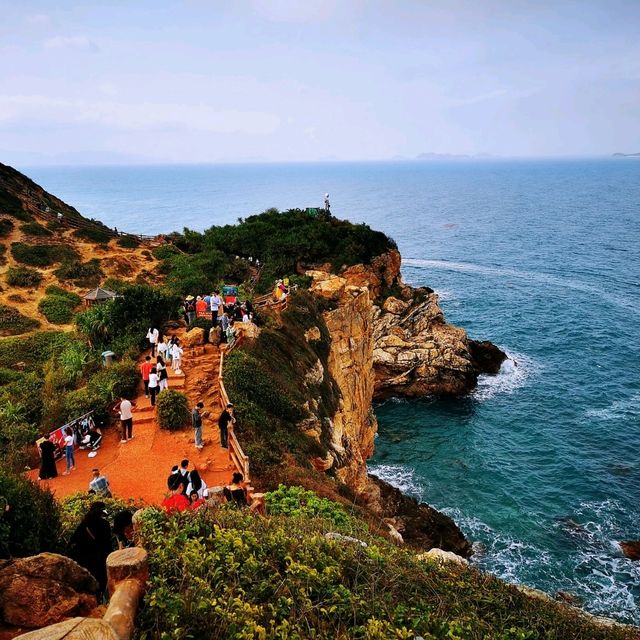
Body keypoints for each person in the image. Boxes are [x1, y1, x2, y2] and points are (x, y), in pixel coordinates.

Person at [69, 501, 113, 592]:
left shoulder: (84, 524)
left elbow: (72, 541)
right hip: (100, 562)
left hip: (83, 563)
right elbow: (107, 544)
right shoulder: (105, 525)